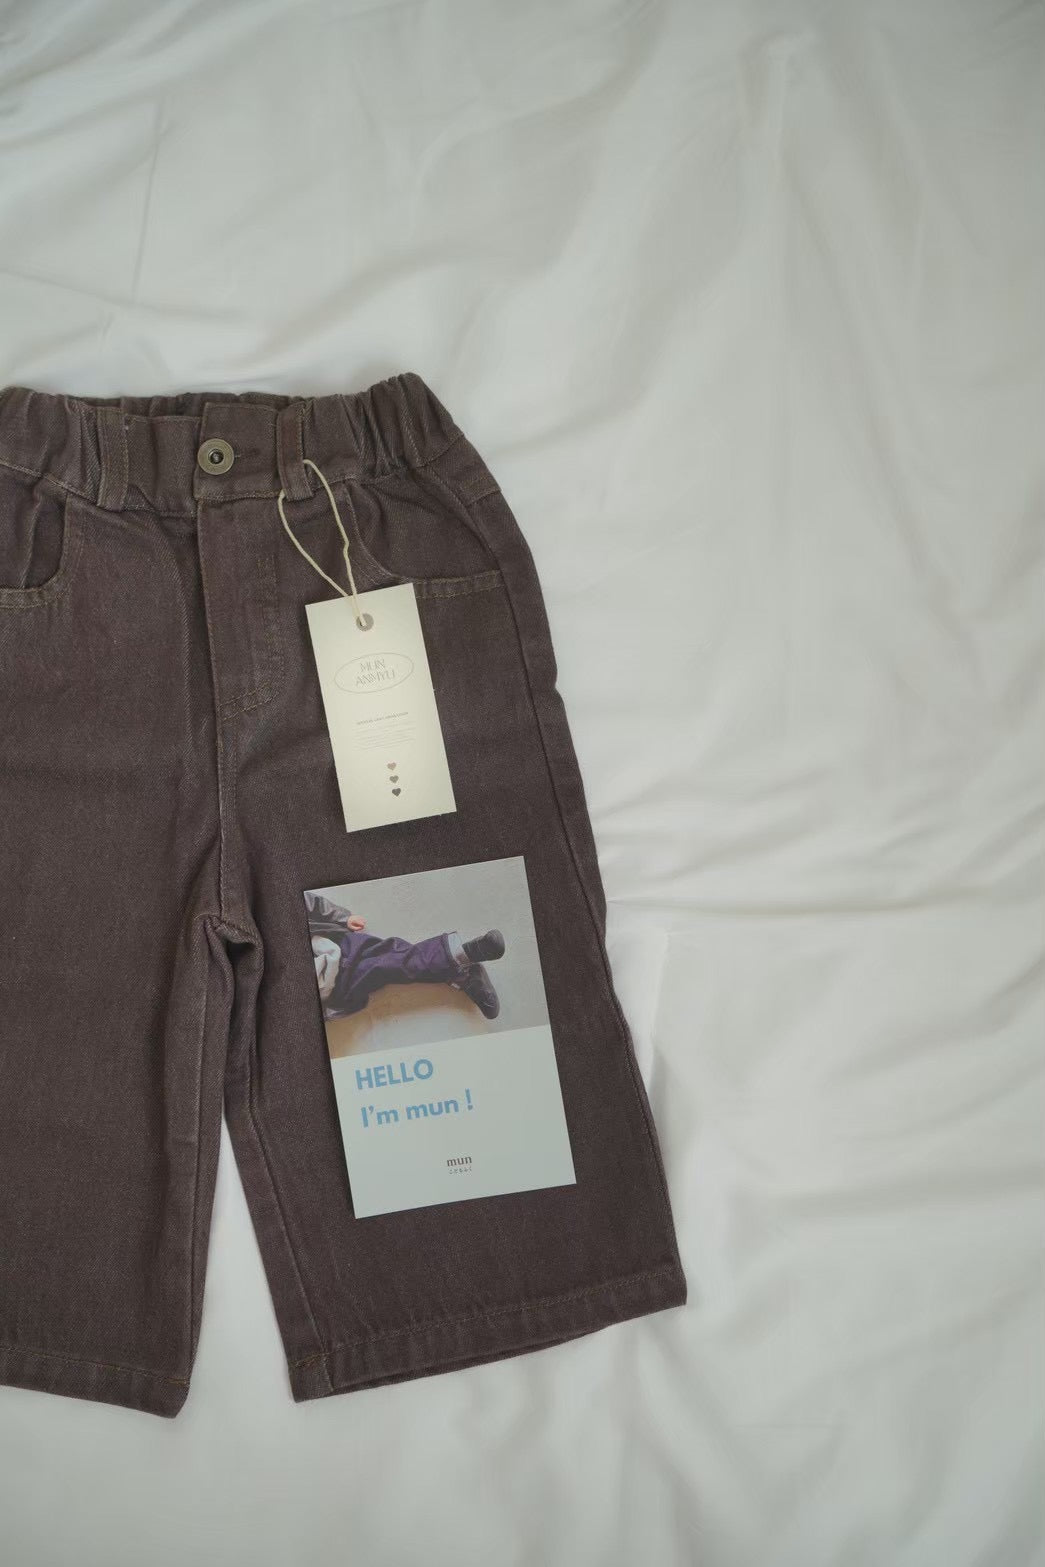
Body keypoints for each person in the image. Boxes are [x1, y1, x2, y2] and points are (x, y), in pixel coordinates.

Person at [304, 889, 506, 1021]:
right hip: (333, 990)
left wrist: (341, 917)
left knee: (393, 959)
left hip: (331, 946)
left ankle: (463, 968)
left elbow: (301, 901)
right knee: (390, 966)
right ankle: (462, 968)